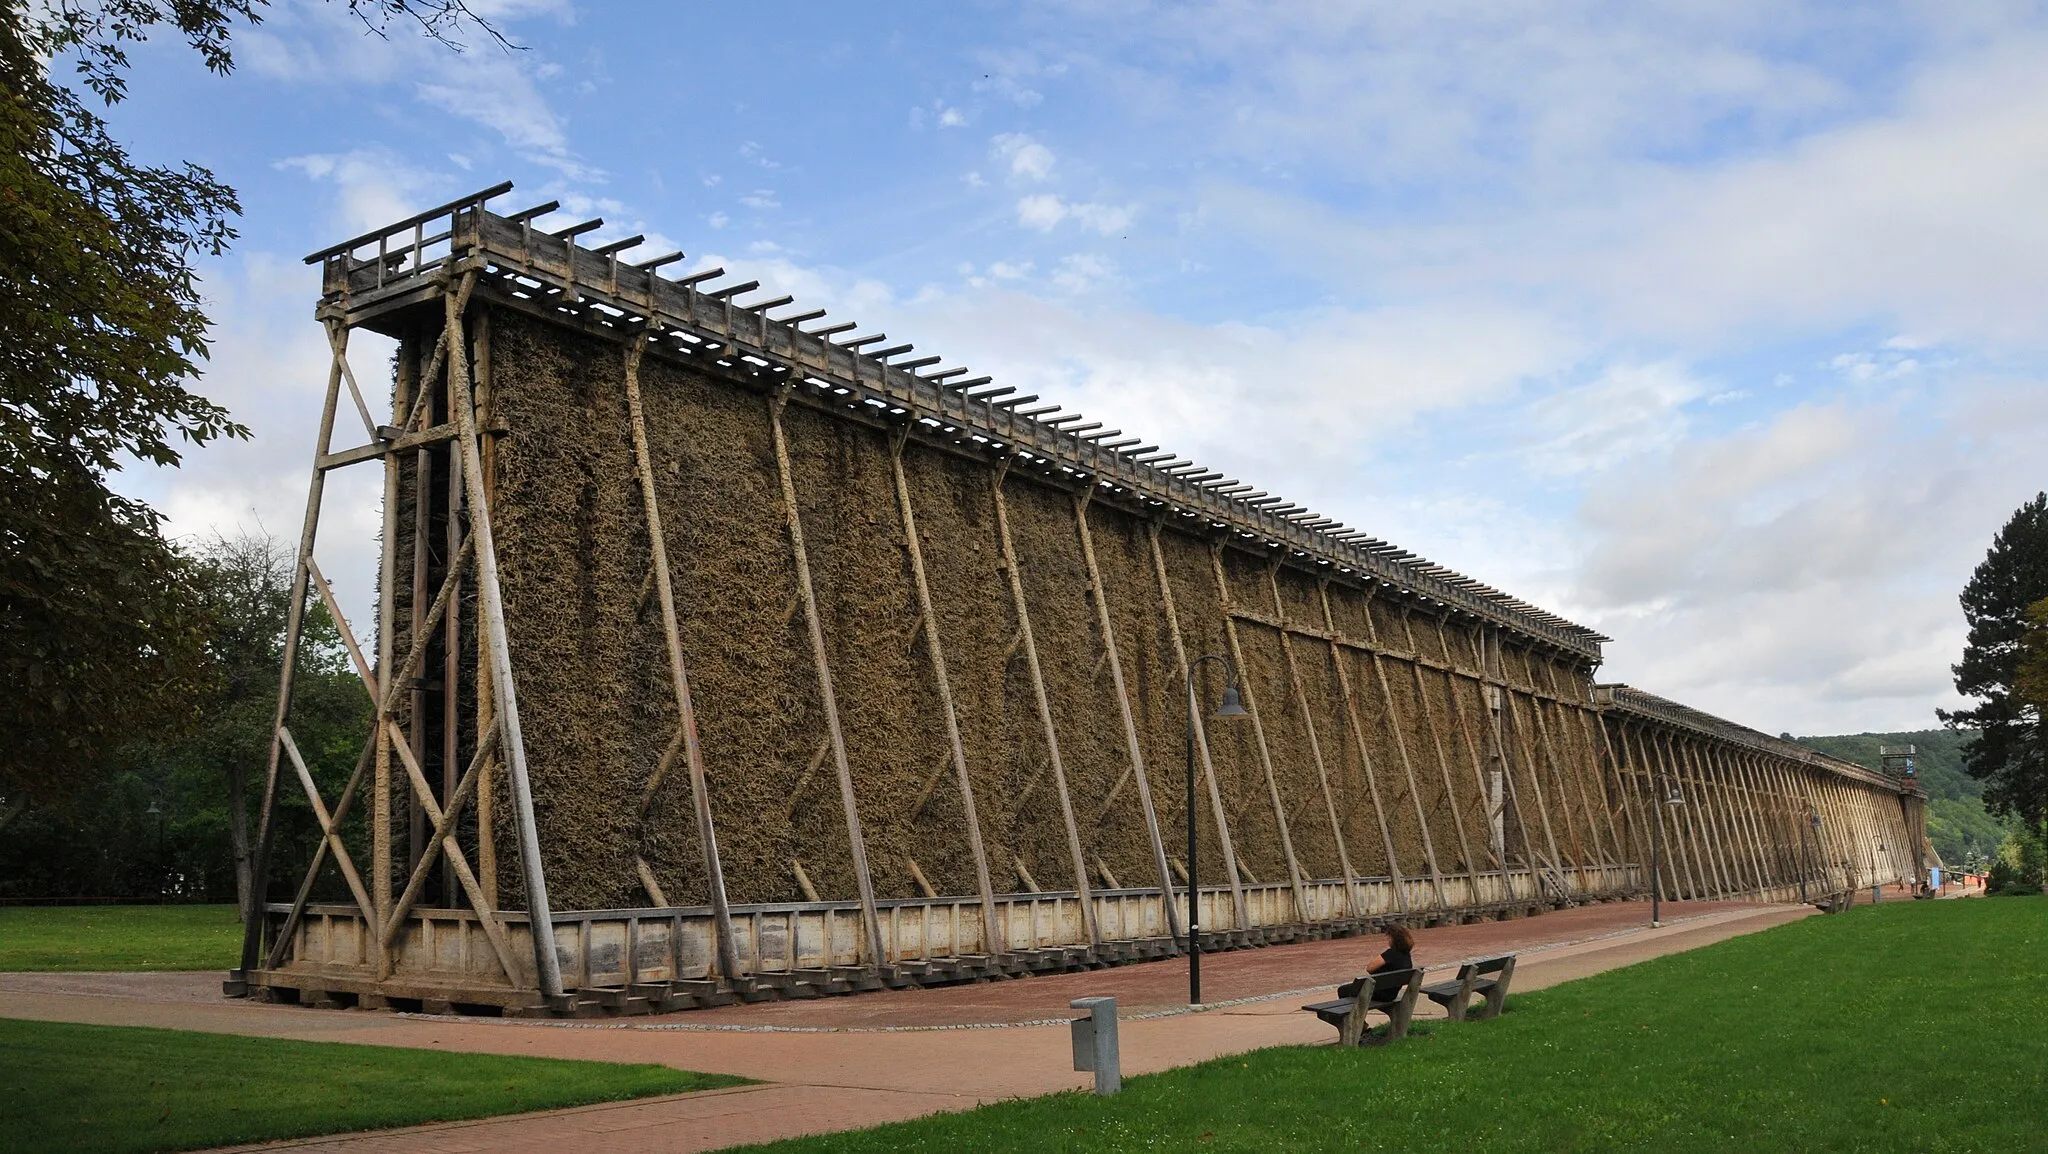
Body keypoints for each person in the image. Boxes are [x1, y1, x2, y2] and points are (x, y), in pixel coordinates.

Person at [1336, 924, 1415, 1002]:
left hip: (1378, 993)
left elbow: (1370, 968)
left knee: (1342, 990)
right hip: (1391, 995)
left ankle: (1350, 1014)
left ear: (1394, 939)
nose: (1388, 941)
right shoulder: (1407, 955)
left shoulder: (1390, 954)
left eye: (1389, 938)